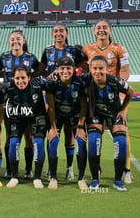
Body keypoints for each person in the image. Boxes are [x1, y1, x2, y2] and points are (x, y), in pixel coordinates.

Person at [82, 19, 133, 184]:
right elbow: (83, 72)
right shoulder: (87, 49)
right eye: (98, 28)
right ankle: (96, 169)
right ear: (94, 31)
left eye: (105, 27)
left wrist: (118, 92)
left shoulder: (120, 49)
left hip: (115, 97)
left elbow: (125, 71)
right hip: (95, 99)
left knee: (122, 133)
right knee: (96, 133)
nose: (101, 30)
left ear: (110, 30)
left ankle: (126, 170)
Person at [37, 24, 87, 181]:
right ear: (52, 34)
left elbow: (85, 66)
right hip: (54, 94)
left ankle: (69, 167)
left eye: (61, 31)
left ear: (67, 33)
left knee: (69, 132)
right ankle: (50, 169)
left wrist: (75, 75)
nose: (59, 34)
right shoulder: (47, 51)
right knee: (52, 132)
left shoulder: (73, 50)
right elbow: (42, 70)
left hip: (71, 96)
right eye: (56, 31)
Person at [0, 29, 40, 179]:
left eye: (18, 39)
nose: (15, 42)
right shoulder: (4, 57)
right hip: (10, 101)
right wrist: (0, 84)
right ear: (9, 42)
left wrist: (32, 79)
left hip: (28, 102)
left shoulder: (30, 57)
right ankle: (10, 169)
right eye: (12, 39)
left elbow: (41, 68)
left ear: (23, 41)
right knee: (10, 136)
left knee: (29, 136)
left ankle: (28, 170)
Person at [45, 57, 88, 190]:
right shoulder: (52, 83)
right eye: (62, 68)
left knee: (81, 141)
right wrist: (52, 128)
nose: (65, 71)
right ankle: (53, 176)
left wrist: (81, 127)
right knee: (53, 141)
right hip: (57, 114)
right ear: (57, 70)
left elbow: (83, 107)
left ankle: (81, 178)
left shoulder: (79, 83)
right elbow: (51, 107)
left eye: (68, 68)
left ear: (73, 69)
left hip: (74, 114)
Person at [5, 65, 47, 189]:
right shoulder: (9, 88)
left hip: (37, 116)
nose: (20, 81)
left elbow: (54, 84)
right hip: (18, 117)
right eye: (17, 78)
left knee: (38, 143)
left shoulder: (39, 85)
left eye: (23, 77)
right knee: (13, 143)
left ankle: (36, 177)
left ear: (29, 77)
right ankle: (14, 176)